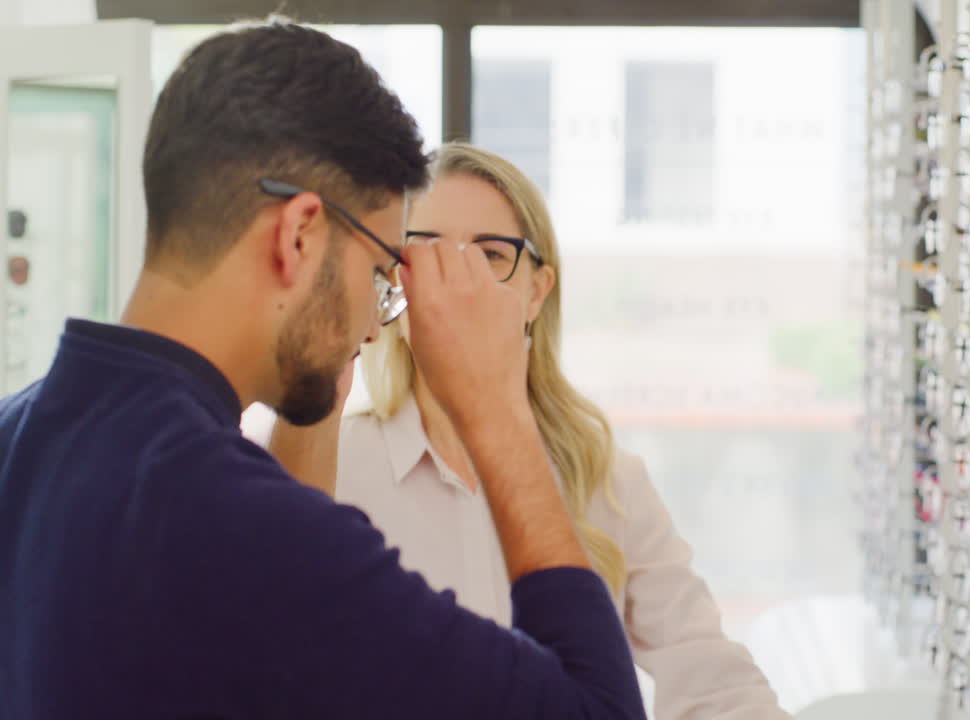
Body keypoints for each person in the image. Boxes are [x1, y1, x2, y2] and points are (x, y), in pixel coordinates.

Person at [0, 19, 643, 720]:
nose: (374, 325)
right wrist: (496, 407)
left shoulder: (22, 438)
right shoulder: (244, 526)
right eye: (377, 273)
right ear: (299, 234)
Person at [270, 143, 791, 719]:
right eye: (429, 253)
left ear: (536, 292)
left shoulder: (606, 476)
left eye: (491, 256)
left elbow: (715, 684)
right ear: (396, 282)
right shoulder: (332, 464)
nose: (458, 283)